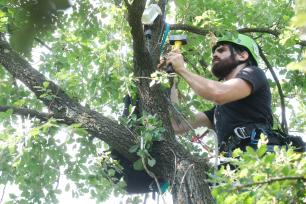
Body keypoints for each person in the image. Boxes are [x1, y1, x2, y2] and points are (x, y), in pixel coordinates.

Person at [165, 34, 273, 155]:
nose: (215, 55)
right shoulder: (219, 113)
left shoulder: (254, 73)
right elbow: (177, 125)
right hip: (232, 165)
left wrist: (182, 69)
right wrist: (169, 79)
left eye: (221, 50)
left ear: (243, 56)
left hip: (260, 156)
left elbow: (219, 93)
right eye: (215, 52)